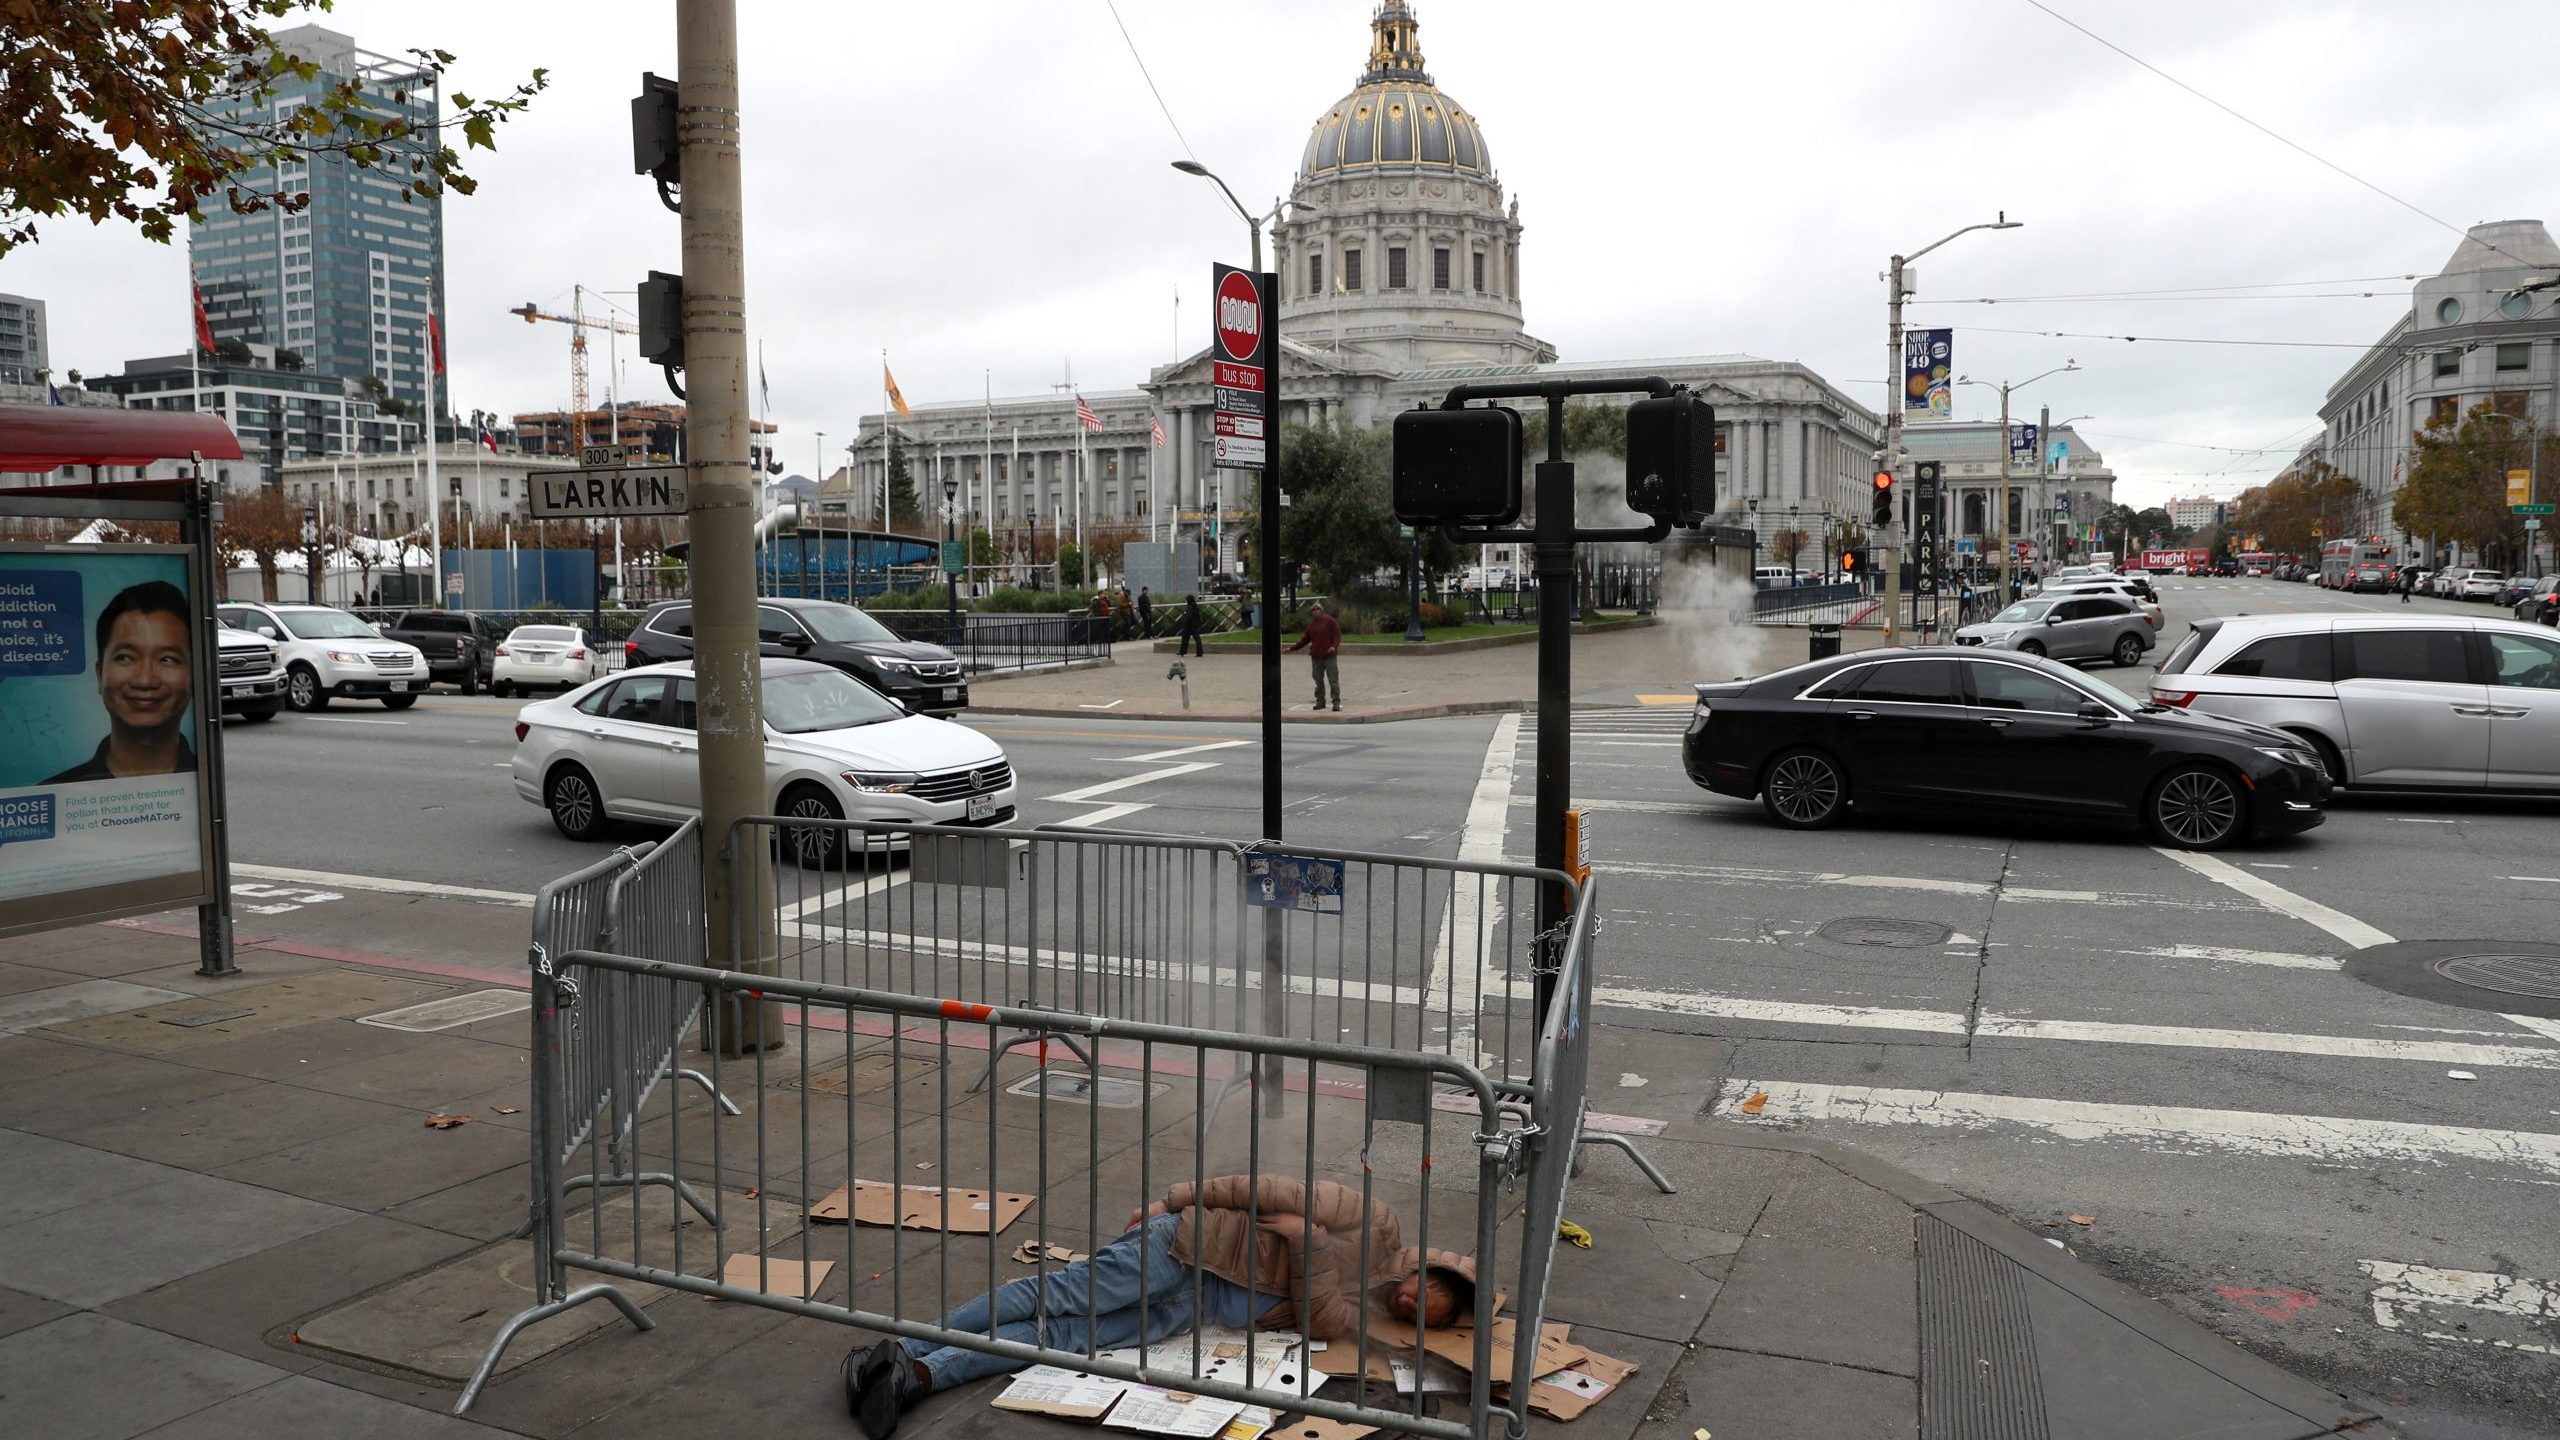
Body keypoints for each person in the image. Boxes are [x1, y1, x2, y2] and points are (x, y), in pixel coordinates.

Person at [844, 1174, 1475, 1439]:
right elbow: (1267, 1187)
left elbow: (1316, 1317)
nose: (1409, 1303)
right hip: (1182, 1247)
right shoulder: (1379, 1225)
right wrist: (1171, 1201)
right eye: (1424, 1292)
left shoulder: (1362, 1317)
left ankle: (916, 1375)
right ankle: (907, 1342)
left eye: (1421, 1316)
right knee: (1054, 1294)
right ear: (1427, 1267)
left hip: (1188, 1307)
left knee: (1061, 1337)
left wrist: (1308, 1246)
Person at [46, 579, 197, 785]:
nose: (145, 680)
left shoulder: (206, 785)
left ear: (194, 675)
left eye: (167, 659)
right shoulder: (58, 793)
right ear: (100, 674)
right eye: (125, 657)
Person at [1285, 599, 1343, 711]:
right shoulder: (1311, 626)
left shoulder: (1330, 621)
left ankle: (1336, 701)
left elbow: (1337, 635)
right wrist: (1291, 649)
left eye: (1318, 609)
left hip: (1329, 656)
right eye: (1313, 610)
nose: (1316, 611)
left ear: (1322, 610)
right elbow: (1304, 640)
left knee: (1333, 679)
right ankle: (1320, 701)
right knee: (1318, 680)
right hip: (1316, 657)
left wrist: (1333, 647)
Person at [1177, 593, 1205, 657]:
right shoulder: (1196, 606)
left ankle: (1182, 651)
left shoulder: (1189, 607)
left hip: (1189, 625)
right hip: (1195, 625)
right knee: (1197, 639)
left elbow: (1189, 616)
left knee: (1185, 638)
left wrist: (1185, 623)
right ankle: (1200, 652)